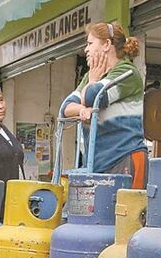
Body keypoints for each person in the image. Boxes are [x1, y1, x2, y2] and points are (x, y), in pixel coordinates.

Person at [61, 22, 146, 187]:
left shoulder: (127, 73)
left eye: (90, 43)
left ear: (107, 44)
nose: (86, 49)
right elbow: (65, 107)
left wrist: (92, 81)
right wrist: (82, 109)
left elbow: (92, 96)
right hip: (99, 163)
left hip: (124, 157)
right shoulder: (91, 76)